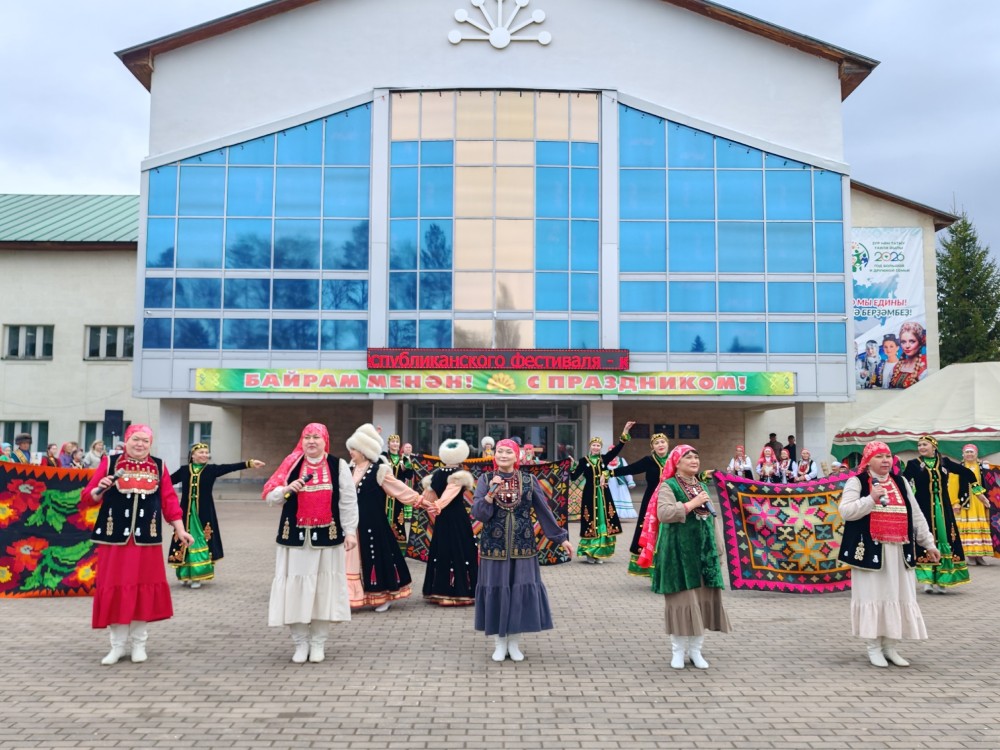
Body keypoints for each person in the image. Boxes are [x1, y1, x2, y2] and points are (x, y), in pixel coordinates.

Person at [83, 424, 194, 665]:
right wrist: (100, 489)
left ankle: (139, 644)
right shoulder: (110, 463)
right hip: (114, 541)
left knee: (142, 591)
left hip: (146, 541)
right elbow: (88, 496)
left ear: (150, 444)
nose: (140, 444)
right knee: (115, 589)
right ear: (127, 440)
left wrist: (180, 529)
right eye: (136, 439)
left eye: (145, 440)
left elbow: (169, 501)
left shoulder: (159, 466)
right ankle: (117, 646)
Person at [838, 441, 941, 667]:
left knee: (898, 596)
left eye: (887, 456)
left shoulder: (900, 482)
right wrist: (870, 499)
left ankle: (890, 647)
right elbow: (846, 511)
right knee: (873, 596)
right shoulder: (857, 482)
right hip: (871, 553)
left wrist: (929, 543)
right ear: (868, 461)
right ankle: (873, 647)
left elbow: (916, 515)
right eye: (879, 456)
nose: (885, 460)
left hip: (899, 552)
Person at [262, 423, 358, 663]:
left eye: (316, 437)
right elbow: (270, 497)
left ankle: (318, 643)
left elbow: (348, 501)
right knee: (294, 592)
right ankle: (300, 643)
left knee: (322, 593)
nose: (311, 441)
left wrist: (350, 532)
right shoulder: (291, 463)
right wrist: (286, 489)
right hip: (295, 539)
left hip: (327, 539)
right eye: (307, 437)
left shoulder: (338, 465)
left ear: (325, 440)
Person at [472, 438, 573, 662]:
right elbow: (479, 514)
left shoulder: (528, 480)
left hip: (523, 546)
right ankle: (499, 643)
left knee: (518, 594)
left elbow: (543, 510)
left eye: (508, 452)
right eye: (500, 451)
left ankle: (514, 643)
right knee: (497, 592)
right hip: (494, 547)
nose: (503, 455)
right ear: (494, 455)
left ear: (516, 456)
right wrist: (490, 493)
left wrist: (560, 538)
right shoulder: (485, 479)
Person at [637, 445, 731, 669]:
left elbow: (712, 520)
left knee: (701, 603)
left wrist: (718, 549)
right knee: (682, 603)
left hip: (703, 555)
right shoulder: (668, 486)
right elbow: (664, 513)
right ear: (676, 463)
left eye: (696, 457)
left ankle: (696, 651)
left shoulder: (701, 486)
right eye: (688, 457)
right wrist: (691, 504)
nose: (694, 460)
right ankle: (677, 652)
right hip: (677, 556)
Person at [346, 423, 431, 611]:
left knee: (376, 557)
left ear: (364, 451)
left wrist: (421, 501)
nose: (351, 452)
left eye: (354, 448)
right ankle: (355, 595)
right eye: (351, 448)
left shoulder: (379, 470)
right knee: (354, 560)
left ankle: (385, 594)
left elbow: (400, 489)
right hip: (353, 525)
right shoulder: (349, 470)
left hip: (374, 523)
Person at [168, 443, 265, 588]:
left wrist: (249, 464)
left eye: (206, 452)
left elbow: (229, 467)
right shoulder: (184, 470)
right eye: (201, 452)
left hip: (203, 513)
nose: (205, 455)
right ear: (193, 455)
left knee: (200, 540)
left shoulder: (211, 470)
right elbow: (167, 482)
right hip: (186, 514)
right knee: (183, 540)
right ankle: (184, 574)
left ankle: (197, 576)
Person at [902, 435, 975, 593]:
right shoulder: (914, 464)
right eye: (919, 445)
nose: (921, 447)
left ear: (934, 447)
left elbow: (966, 472)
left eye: (925, 444)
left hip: (943, 509)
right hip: (924, 508)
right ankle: (928, 580)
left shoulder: (944, 462)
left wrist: (977, 489)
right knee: (926, 538)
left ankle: (943, 580)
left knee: (945, 538)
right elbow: (903, 482)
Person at [420, 438, 477, 605]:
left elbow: (428, 497)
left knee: (442, 549)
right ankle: (459, 590)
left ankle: (439, 590)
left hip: (442, 518)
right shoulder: (459, 475)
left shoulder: (436, 474)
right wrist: (437, 505)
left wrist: (423, 503)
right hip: (457, 518)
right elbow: (449, 495)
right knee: (460, 549)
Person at [570, 421, 636, 563]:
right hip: (589, 494)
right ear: (590, 446)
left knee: (604, 520)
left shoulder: (604, 459)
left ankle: (600, 552)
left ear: (601, 447)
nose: (596, 447)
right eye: (593, 445)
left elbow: (618, 448)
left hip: (603, 494)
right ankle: (590, 552)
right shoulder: (583, 461)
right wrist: (571, 466)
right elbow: (574, 477)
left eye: (598, 445)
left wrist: (625, 430)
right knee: (590, 521)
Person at [610, 432, 672, 576]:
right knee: (650, 530)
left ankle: (668, 568)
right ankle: (650, 567)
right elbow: (630, 469)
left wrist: (702, 477)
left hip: (671, 500)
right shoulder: (649, 460)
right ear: (652, 447)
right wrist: (609, 473)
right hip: (651, 501)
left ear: (667, 444)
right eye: (656, 443)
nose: (660, 445)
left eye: (663, 442)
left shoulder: (674, 460)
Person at [949, 444, 994, 566]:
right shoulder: (958, 468)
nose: (969, 454)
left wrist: (989, 467)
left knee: (980, 529)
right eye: (967, 452)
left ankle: (980, 556)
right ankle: (971, 556)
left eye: (971, 452)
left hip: (980, 503)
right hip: (966, 503)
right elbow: (952, 486)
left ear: (976, 454)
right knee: (968, 530)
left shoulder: (982, 467)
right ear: (963, 454)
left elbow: (992, 480)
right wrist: (955, 502)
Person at [381, 432, 416, 552]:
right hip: (384, 494)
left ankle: (398, 550)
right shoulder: (384, 457)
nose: (395, 444)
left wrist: (407, 465)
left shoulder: (403, 459)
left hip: (397, 494)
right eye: (393, 442)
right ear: (388, 444)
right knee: (383, 518)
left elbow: (409, 475)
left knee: (398, 519)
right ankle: (383, 547)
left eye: (397, 442)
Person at [889, 321, 928, 388]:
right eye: (903, 342)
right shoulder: (896, 367)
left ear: (920, 342)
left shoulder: (925, 367)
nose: (907, 346)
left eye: (912, 341)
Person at [606, 456, 638, 520]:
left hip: (620, 484)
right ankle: (611, 514)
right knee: (610, 497)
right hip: (609, 483)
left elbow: (627, 470)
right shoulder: (605, 460)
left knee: (621, 496)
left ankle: (621, 514)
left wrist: (630, 480)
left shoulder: (621, 460)